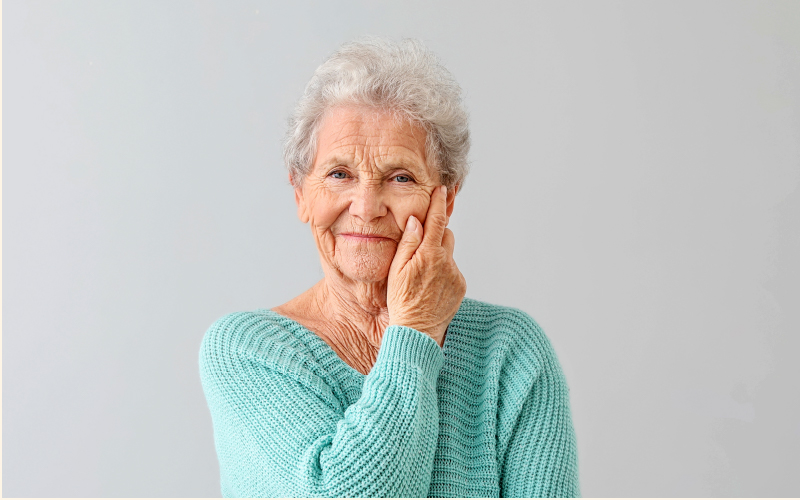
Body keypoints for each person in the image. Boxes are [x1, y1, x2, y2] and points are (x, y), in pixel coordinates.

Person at [199, 37, 580, 498]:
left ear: (447, 197)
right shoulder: (247, 350)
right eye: (339, 174)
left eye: (400, 177)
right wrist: (417, 330)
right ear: (302, 193)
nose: (366, 207)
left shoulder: (510, 353)